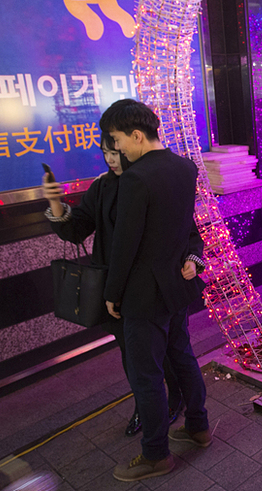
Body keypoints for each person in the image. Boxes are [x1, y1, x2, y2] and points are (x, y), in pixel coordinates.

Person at [44, 136, 197, 437]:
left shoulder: (153, 180)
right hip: (119, 290)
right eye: (106, 153)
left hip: (160, 286)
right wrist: (54, 203)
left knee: (171, 352)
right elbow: (76, 230)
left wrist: (193, 260)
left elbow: (188, 232)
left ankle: (177, 406)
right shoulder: (103, 188)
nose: (112, 159)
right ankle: (147, 406)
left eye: (117, 152)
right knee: (133, 355)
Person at [99, 99, 210, 482]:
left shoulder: (135, 177)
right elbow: (183, 225)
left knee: (146, 374)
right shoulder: (185, 166)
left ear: (136, 135)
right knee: (182, 357)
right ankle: (198, 427)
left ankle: (156, 454)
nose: (117, 150)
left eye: (117, 141)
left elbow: (125, 244)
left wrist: (112, 293)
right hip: (177, 285)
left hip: (143, 294)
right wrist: (193, 259)